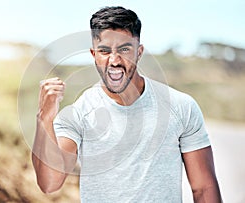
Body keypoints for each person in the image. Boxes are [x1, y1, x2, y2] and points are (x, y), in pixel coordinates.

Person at [32, 6, 222, 202]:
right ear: (93, 54)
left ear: (139, 52)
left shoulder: (181, 106)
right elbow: (49, 183)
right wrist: (44, 118)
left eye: (124, 49)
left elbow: (204, 188)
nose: (114, 60)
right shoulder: (78, 114)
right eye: (104, 51)